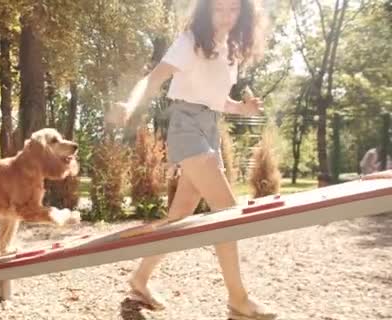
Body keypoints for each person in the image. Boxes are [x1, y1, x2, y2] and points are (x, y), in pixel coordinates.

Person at [106, 0, 277, 319]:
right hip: (186, 127)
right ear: (205, 11)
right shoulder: (190, 42)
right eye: (218, 9)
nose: (225, 17)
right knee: (227, 212)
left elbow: (216, 99)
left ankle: (140, 279)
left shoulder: (230, 50)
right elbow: (153, 78)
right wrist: (130, 107)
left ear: (243, 13)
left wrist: (243, 108)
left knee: (179, 217)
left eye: (233, 10)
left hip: (209, 127)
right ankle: (238, 300)